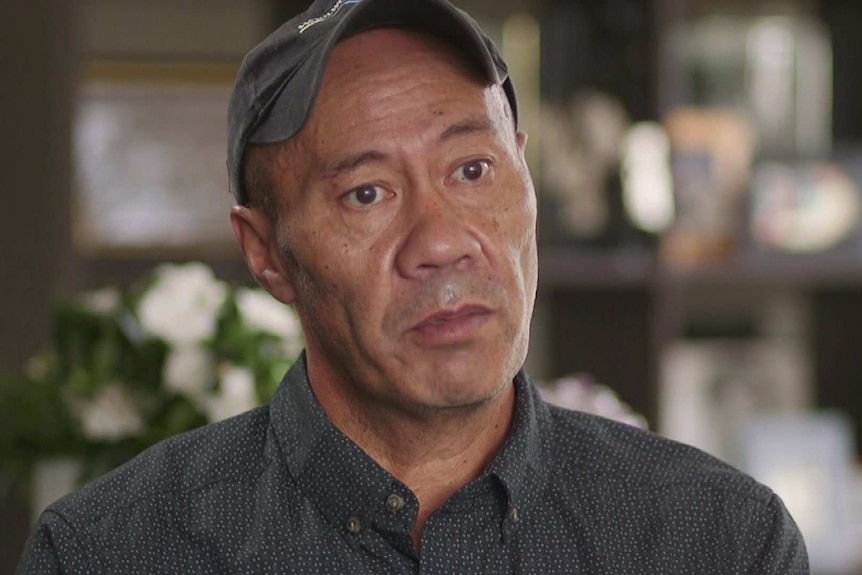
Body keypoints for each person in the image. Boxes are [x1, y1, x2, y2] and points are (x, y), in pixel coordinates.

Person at [17, 0, 809, 573]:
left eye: (472, 169)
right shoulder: (115, 549)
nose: (440, 241)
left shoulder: (718, 539)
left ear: (527, 177)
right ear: (265, 253)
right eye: (367, 192)